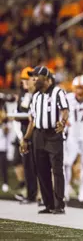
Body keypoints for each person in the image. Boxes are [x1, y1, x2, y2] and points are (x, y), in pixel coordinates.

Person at [20, 66, 69, 214]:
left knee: (57, 169)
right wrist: (25, 139)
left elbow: (65, 110)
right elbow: (33, 120)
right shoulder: (35, 96)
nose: (34, 79)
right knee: (41, 170)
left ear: (47, 79)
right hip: (38, 135)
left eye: (37, 76)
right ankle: (49, 204)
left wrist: (63, 122)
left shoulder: (58, 92)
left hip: (53, 134)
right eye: (33, 76)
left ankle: (59, 204)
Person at [10, 67, 39, 204]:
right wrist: (21, 136)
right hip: (24, 133)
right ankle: (30, 193)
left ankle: (42, 194)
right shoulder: (22, 94)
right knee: (27, 164)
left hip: (36, 133)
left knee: (39, 165)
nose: (26, 82)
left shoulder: (38, 94)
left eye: (28, 79)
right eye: (24, 79)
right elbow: (17, 116)